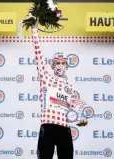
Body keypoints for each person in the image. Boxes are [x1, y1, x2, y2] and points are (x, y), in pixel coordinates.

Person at [31, 26, 89, 159]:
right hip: (48, 127)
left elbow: (74, 112)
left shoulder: (71, 88)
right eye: (57, 63)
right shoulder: (46, 78)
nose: (60, 65)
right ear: (52, 66)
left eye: (63, 63)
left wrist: (81, 120)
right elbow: (38, 55)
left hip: (64, 129)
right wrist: (34, 29)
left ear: (67, 67)